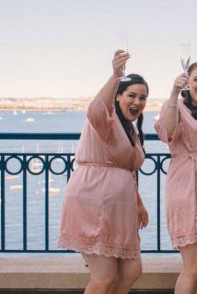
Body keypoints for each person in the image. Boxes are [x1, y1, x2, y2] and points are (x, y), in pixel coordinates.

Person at [58, 50, 149, 294]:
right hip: (93, 200)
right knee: (104, 276)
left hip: (120, 208)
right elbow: (97, 108)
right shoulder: (104, 121)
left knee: (132, 271)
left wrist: (138, 203)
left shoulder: (130, 130)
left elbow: (128, 170)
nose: (137, 102)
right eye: (131, 95)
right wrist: (116, 75)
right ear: (118, 97)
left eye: (143, 98)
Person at [154, 62, 197, 294]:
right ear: (188, 83)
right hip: (185, 186)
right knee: (194, 263)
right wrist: (173, 92)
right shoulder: (176, 106)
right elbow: (169, 130)